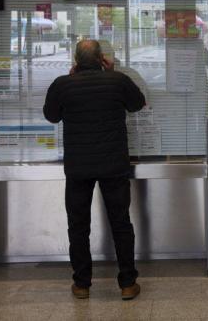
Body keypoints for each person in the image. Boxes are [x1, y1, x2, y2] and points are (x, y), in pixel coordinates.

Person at [43, 39, 146, 300]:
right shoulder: (117, 81)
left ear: (76, 61)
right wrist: (111, 73)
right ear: (102, 58)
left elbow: (51, 115)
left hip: (78, 167)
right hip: (114, 166)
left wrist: (70, 80)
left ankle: (82, 284)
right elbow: (137, 103)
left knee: (78, 226)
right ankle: (127, 284)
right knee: (121, 223)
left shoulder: (62, 85)